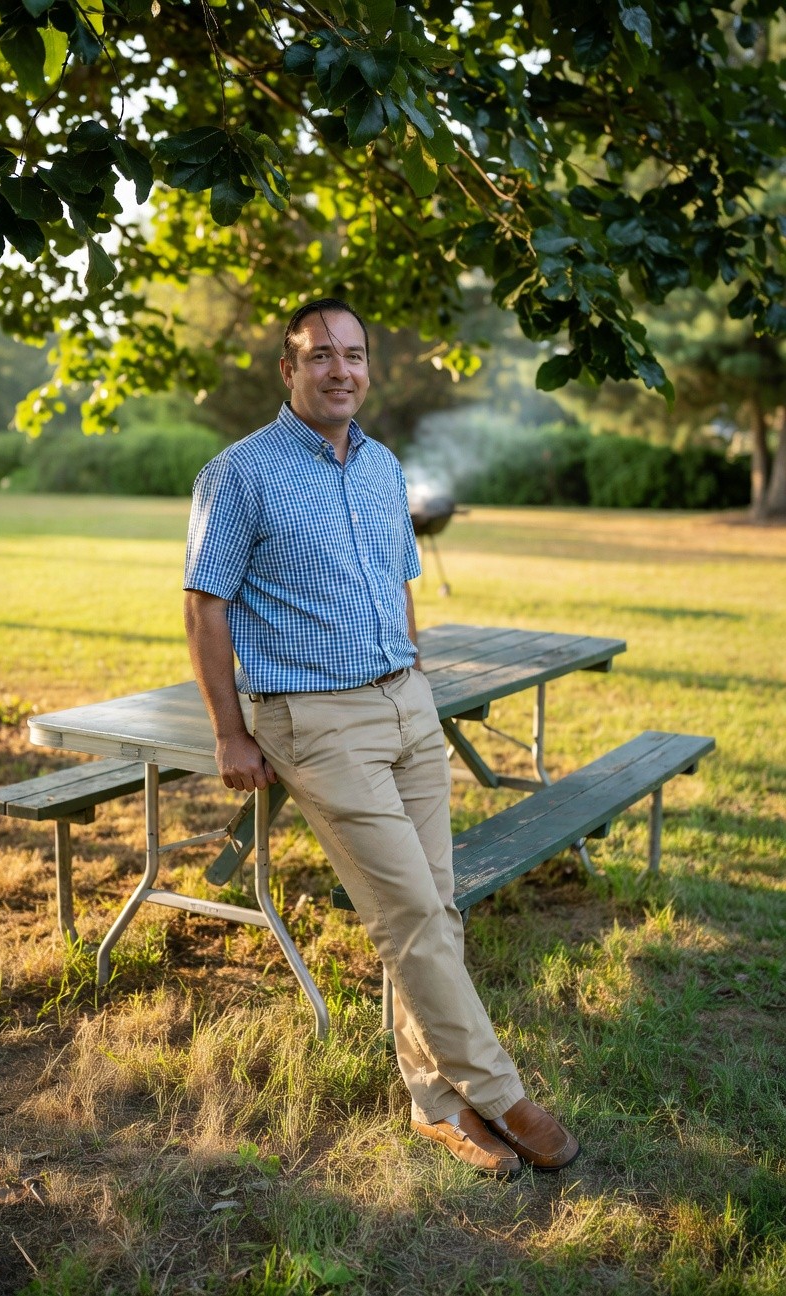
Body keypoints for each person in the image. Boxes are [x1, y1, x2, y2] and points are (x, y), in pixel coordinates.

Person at [183, 298, 579, 1177]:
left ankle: (433, 1105)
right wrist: (228, 732)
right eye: (318, 355)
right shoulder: (238, 473)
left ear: (370, 368)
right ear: (287, 371)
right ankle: (501, 1093)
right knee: (410, 912)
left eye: (354, 355)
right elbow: (205, 604)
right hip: (313, 720)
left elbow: (400, 584)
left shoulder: (380, 466)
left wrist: (417, 679)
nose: (340, 370)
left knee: (433, 911)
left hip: (406, 706)